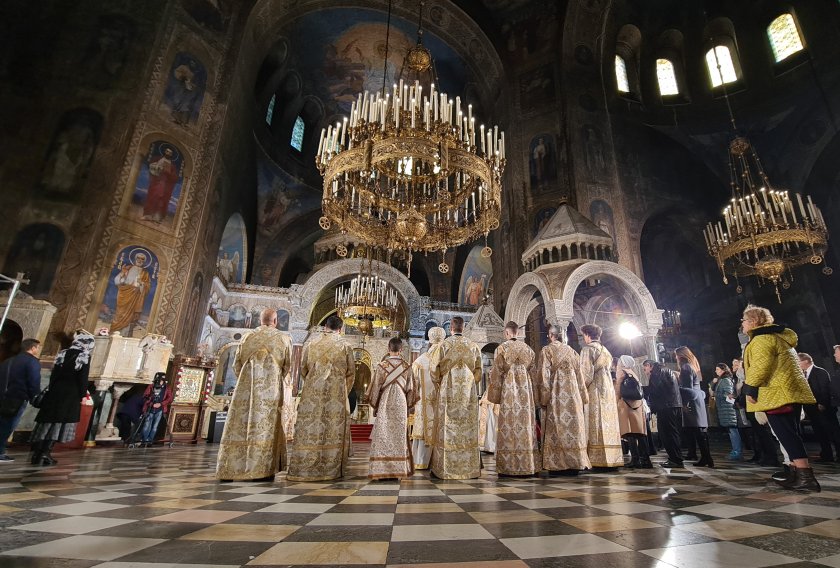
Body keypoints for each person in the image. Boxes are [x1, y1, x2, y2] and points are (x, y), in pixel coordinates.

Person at [741, 304, 819, 491]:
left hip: (777, 394)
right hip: (788, 392)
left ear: (753, 321)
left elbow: (760, 366)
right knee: (790, 434)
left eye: (744, 320)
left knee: (787, 435)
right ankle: (795, 472)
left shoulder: (762, 339)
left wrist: (750, 389)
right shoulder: (777, 337)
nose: (742, 324)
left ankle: (805, 476)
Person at [216, 308, 291, 481]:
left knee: (240, 425)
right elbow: (286, 366)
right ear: (275, 321)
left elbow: (236, 365)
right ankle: (262, 470)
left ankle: (232, 468)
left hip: (246, 389)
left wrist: (246, 381)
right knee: (266, 427)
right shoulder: (283, 338)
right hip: (270, 392)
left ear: (259, 320)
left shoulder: (247, 337)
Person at [288, 314, 355, 481]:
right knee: (332, 428)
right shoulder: (345, 346)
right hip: (336, 396)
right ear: (341, 329)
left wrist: (312, 385)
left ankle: (304, 468)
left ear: (325, 326)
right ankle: (329, 469)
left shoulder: (311, 344)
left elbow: (303, 369)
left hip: (311, 394)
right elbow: (351, 374)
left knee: (310, 428)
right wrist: (342, 392)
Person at [30, 331, 95, 466]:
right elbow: (82, 378)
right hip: (70, 394)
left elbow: (54, 375)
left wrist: (53, 389)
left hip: (55, 391)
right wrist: (83, 395)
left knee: (47, 422)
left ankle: (37, 453)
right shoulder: (84, 356)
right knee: (58, 424)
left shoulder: (63, 353)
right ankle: (45, 453)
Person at [430, 316, 482, 480]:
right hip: (468, 391)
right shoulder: (473, 346)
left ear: (450, 328)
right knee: (468, 427)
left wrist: (440, 382)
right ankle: (469, 468)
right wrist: (471, 382)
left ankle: (446, 469)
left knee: (447, 425)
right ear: (463, 327)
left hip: (448, 389)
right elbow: (479, 371)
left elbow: (434, 370)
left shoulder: (444, 345)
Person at [536, 325, 590, 473]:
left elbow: (543, 377)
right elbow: (580, 377)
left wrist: (543, 398)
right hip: (573, 398)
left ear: (550, 335)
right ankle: (576, 462)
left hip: (557, 397)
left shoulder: (547, 350)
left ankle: (557, 464)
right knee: (573, 429)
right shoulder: (572, 352)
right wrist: (583, 397)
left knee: (557, 428)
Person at [489, 321, 540, 476]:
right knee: (525, 425)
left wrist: (495, 396)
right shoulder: (528, 349)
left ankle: (508, 466)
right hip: (525, 393)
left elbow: (496, 374)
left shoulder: (502, 348)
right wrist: (535, 397)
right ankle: (527, 464)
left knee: (509, 425)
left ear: (507, 333)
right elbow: (534, 375)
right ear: (517, 332)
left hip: (509, 392)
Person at [366, 338, 417, 480]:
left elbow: (375, 388)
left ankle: (380, 470)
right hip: (401, 403)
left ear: (388, 349)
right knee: (398, 435)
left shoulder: (382, 366)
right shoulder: (407, 366)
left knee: (383, 434)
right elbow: (411, 389)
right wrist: (409, 406)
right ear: (401, 350)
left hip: (385, 402)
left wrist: (375, 405)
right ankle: (398, 470)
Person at [580, 324, 623, 469]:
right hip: (608, 390)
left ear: (587, 335)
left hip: (595, 390)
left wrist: (579, 390)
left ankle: (596, 459)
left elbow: (585, 374)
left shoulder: (588, 349)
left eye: (584, 335)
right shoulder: (606, 351)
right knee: (608, 422)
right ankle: (612, 458)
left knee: (595, 421)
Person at [0, 339, 42, 462]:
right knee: (8, 425)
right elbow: (33, 381)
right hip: (17, 398)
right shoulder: (32, 362)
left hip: (3, 396)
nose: (38, 350)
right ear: (32, 348)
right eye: (37, 347)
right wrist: (35, 397)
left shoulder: (9, 360)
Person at [411, 327, 445, 469]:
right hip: (442, 404)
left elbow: (413, 386)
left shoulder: (419, 361)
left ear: (429, 341)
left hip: (423, 404)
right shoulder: (446, 361)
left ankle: (421, 460)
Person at [798, 353, 840, 463]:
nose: (797, 364)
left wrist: (822, 403)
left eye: (798, 362)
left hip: (823, 409)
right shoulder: (803, 375)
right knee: (820, 433)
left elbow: (825, 388)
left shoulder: (820, 371)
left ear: (806, 361)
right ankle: (826, 455)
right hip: (812, 410)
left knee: (833, 433)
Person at [644, 360, 684, 468]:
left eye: (645, 368)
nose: (645, 372)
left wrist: (643, 390)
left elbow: (655, 390)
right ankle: (675, 458)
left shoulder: (657, 372)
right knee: (672, 433)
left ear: (650, 366)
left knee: (667, 434)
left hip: (666, 407)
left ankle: (675, 459)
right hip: (672, 405)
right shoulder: (666, 370)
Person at [614, 355, 652, 468]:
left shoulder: (622, 373)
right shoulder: (633, 373)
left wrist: (615, 401)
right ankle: (646, 460)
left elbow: (618, 389)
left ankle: (635, 460)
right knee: (640, 433)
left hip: (626, 406)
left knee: (629, 432)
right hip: (637, 406)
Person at [111, 252, 151, 335]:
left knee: (130, 317)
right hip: (124, 294)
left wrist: (141, 283)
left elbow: (147, 287)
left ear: (144, 261)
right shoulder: (128, 268)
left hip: (135, 297)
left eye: (142, 259)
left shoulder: (145, 273)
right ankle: (114, 332)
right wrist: (122, 273)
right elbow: (117, 281)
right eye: (138, 258)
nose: (140, 260)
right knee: (119, 314)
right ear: (135, 259)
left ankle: (125, 335)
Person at [675, 346, 702, 460]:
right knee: (694, 428)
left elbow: (687, 387)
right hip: (696, 400)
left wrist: (685, 404)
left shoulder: (686, 367)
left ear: (680, 356)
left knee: (692, 428)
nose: (676, 358)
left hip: (690, 401)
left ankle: (694, 453)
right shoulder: (693, 366)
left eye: (676, 355)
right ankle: (694, 453)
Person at [142, 147, 179, 222]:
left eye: (170, 153)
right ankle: (147, 215)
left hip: (164, 184)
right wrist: (157, 168)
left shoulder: (172, 166)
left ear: (171, 155)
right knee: (152, 197)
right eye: (167, 151)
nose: (168, 153)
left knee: (161, 199)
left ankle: (157, 217)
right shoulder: (158, 159)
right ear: (165, 152)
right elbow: (151, 166)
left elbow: (174, 177)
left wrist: (168, 173)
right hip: (155, 182)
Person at [713, 363, 742, 460]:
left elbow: (729, 394)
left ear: (723, 370)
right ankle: (735, 451)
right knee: (731, 431)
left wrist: (717, 395)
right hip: (725, 409)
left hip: (728, 409)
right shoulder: (722, 380)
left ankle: (737, 452)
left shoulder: (725, 380)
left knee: (733, 431)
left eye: (717, 369)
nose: (716, 371)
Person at [139, 372, 174, 447]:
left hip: (160, 410)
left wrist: (161, 404)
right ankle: (144, 441)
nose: (159, 382)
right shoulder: (151, 386)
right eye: (158, 380)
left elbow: (170, 398)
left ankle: (150, 441)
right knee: (146, 425)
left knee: (155, 427)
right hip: (150, 409)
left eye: (161, 380)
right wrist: (151, 404)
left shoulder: (167, 388)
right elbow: (145, 396)